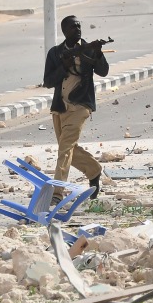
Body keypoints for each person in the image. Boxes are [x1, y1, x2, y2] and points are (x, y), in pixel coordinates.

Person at [43, 15, 110, 198]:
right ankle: (94, 170)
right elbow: (48, 81)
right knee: (67, 148)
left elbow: (103, 71)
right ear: (64, 31)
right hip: (60, 106)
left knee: (65, 148)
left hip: (80, 105)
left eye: (79, 26)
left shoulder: (89, 49)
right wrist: (63, 67)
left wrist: (98, 54)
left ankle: (57, 192)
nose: (78, 29)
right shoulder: (55, 53)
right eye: (73, 27)